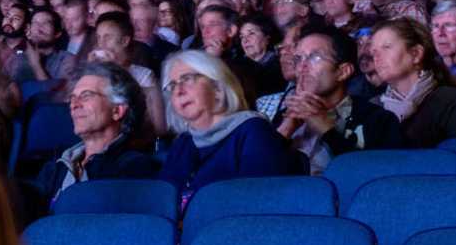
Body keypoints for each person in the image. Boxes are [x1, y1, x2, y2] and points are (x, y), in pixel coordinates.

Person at [159, 51, 298, 204]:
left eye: (187, 79)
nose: (178, 91)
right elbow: (163, 204)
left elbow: (260, 203)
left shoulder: (253, 132)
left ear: (217, 89)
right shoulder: (183, 143)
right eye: (172, 86)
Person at [273, 26, 404, 174]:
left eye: (315, 57)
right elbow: (259, 180)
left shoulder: (377, 120)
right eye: (298, 59)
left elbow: (378, 178)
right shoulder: (284, 119)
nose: (302, 66)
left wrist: (327, 131)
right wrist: (284, 132)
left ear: (343, 72)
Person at [36, 63, 160, 204]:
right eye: (72, 98)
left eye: (86, 96)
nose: (74, 105)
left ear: (117, 111)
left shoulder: (134, 168)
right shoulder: (55, 168)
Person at [370, 18, 456, 147]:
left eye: (386, 47)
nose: (377, 57)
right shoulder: (373, 107)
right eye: (374, 52)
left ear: (416, 54)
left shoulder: (448, 100)